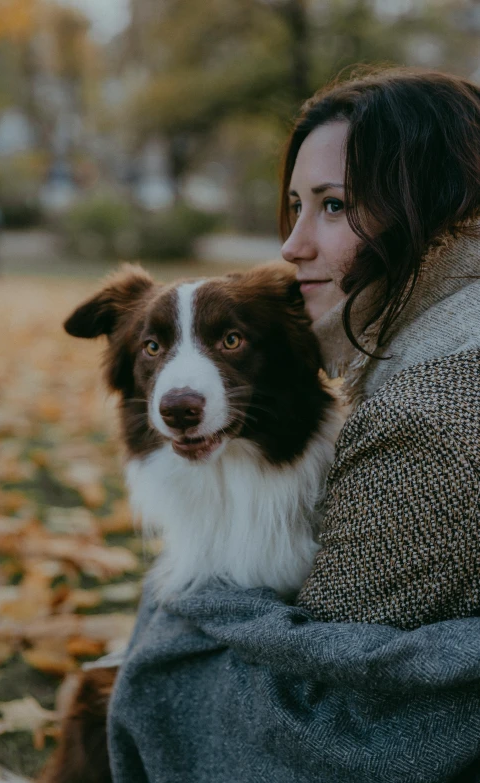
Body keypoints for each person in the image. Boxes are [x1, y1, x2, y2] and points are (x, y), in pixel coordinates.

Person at [108, 68, 480, 783]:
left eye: (334, 206)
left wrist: (187, 604)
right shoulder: (446, 343)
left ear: (435, 211)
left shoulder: (426, 426)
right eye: (294, 206)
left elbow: (325, 706)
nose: (292, 247)